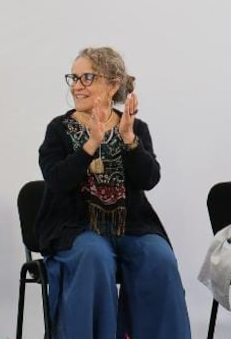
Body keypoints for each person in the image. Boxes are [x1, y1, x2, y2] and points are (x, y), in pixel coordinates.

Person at [37, 47, 189, 338]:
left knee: (160, 258)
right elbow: (56, 180)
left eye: (87, 77)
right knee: (95, 256)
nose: (77, 86)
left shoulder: (135, 126)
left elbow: (149, 179)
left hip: (130, 226)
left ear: (113, 85)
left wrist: (130, 140)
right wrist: (90, 144)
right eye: (74, 78)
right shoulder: (58, 129)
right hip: (76, 227)